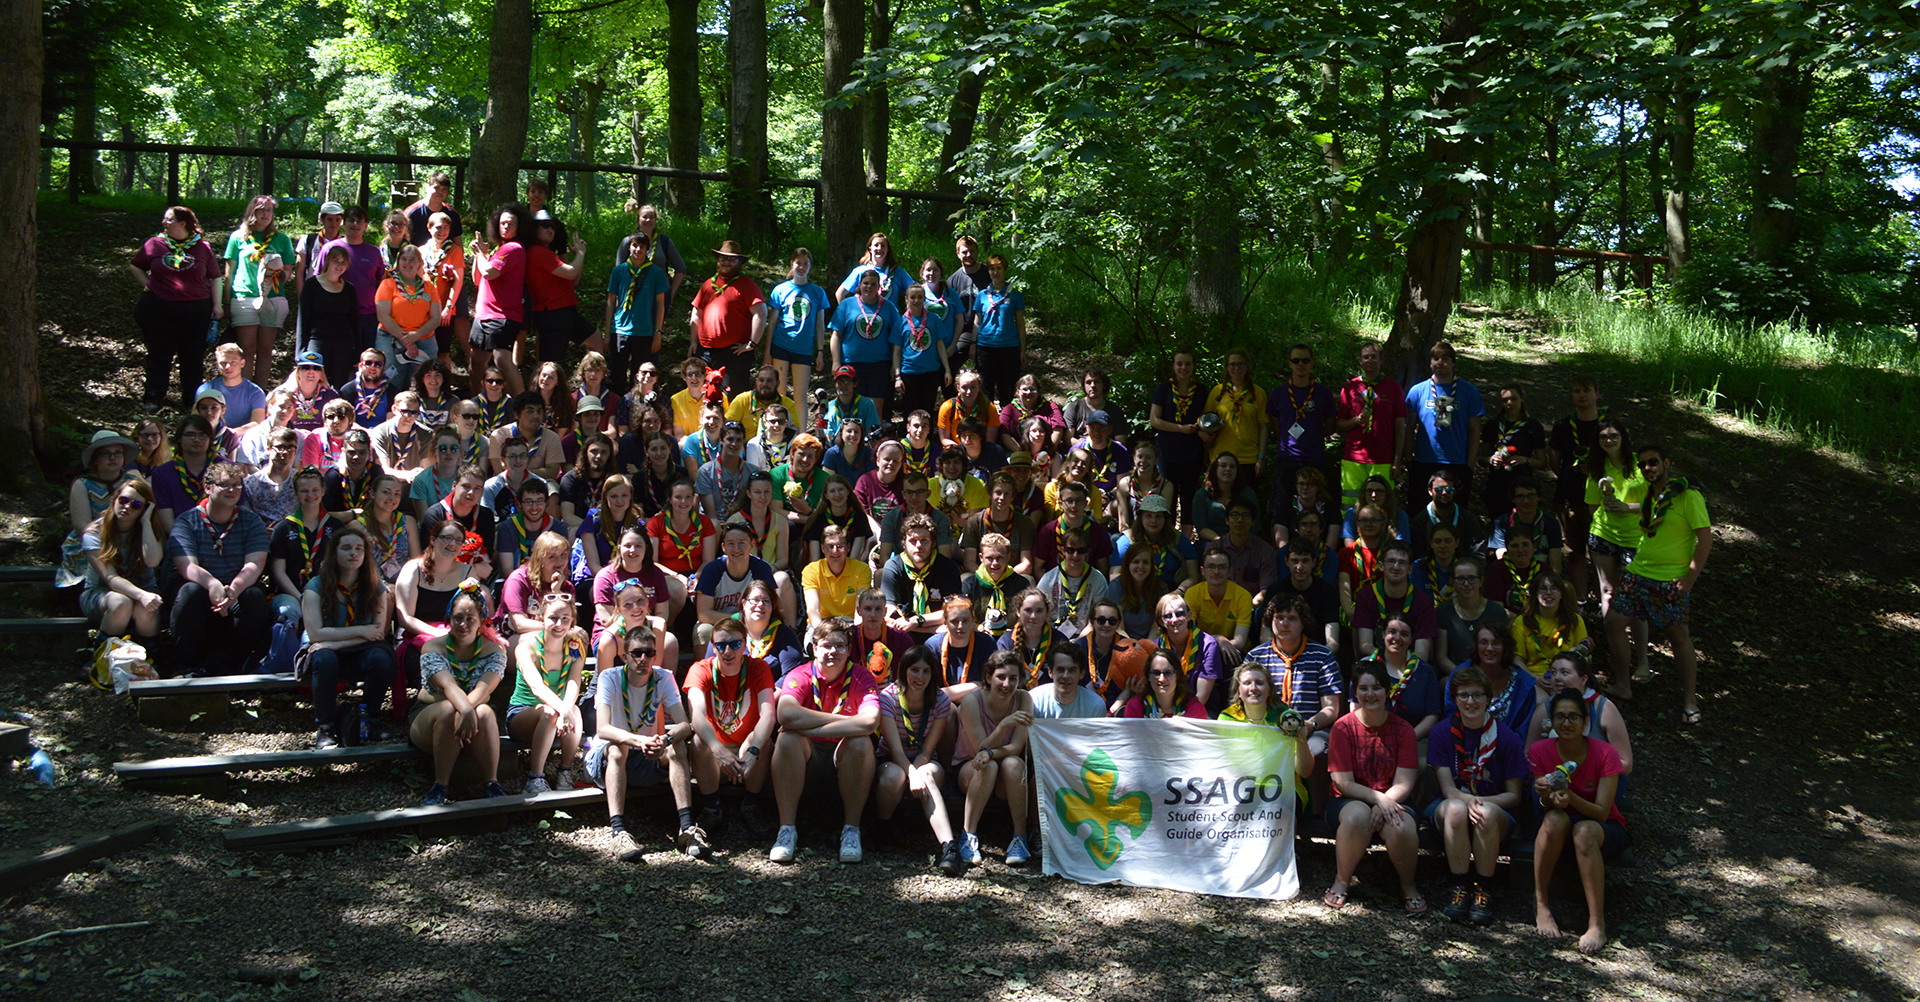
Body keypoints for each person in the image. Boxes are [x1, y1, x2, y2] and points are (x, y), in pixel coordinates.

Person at [590, 618, 710, 860]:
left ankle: (687, 828)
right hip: (609, 758)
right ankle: (618, 832)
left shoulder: (663, 677)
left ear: (655, 656)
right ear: (625, 656)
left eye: (649, 653)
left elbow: (684, 725)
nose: (643, 659)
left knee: (677, 747)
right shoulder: (609, 678)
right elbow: (603, 729)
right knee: (618, 749)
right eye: (636, 653)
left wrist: (664, 740)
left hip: (648, 754)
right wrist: (639, 741)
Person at [1605, 444, 1709, 722]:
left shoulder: (1687, 495)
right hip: (1637, 573)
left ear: (1667, 463)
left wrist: (1690, 578)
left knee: (1678, 638)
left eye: (1653, 462)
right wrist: (1622, 506)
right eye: (1642, 465)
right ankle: (1623, 685)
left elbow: (1705, 538)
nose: (1648, 468)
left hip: (1669, 580)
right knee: (1613, 623)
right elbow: (1648, 514)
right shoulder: (1650, 495)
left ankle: (1690, 702)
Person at [768, 618, 882, 864]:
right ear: (815, 648)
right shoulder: (800, 674)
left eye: (840, 646)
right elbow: (785, 714)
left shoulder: (862, 677)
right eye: (827, 645)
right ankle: (786, 830)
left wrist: (808, 725)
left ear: (849, 650)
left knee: (861, 742)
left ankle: (851, 830)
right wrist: (844, 721)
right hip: (808, 757)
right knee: (787, 739)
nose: (833, 651)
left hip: (845, 756)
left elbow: (870, 722)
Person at [1426, 664, 1529, 926]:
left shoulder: (1506, 737)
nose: (1470, 702)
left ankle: (1483, 890)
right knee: (1456, 808)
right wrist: (1470, 802)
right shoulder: (1441, 732)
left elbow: (1514, 795)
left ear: (1488, 698)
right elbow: (1448, 790)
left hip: (1494, 811)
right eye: (1463, 695)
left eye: (1477, 695)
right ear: (1454, 699)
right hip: (1450, 807)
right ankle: (1459, 887)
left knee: (1485, 813)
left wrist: (1480, 804)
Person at [1530, 687, 1630, 953]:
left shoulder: (1605, 753)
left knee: (1584, 831)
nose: (1567, 723)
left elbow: (1602, 812)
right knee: (1554, 819)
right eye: (1560, 717)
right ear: (1552, 721)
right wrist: (1546, 795)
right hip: (1559, 823)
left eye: (1574, 717)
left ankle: (1597, 924)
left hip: (1602, 828)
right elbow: (1544, 806)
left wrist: (1571, 797)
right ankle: (1541, 904)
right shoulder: (1540, 751)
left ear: (1585, 722)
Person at [1324, 659, 1423, 914]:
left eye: (1377, 687)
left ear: (1387, 691)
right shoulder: (1342, 727)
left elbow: (1405, 782)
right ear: (1355, 692)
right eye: (1364, 688)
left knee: (1401, 825)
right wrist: (1379, 800)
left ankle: (1408, 886)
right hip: (1348, 800)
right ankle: (1341, 880)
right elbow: (1343, 782)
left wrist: (1385, 802)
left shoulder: (1404, 730)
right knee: (1358, 815)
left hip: (1395, 797)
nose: (1371, 694)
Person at [166, 462, 271, 676]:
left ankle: (240, 665)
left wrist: (234, 590)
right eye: (224, 485)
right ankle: (182, 665)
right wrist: (212, 583)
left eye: (237, 485)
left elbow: (255, 564)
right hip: (199, 586)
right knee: (190, 592)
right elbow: (187, 565)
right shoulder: (186, 521)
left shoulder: (251, 521)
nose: (232, 490)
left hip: (236, 587)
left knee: (254, 596)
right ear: (207, 488)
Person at [299, 522, 396, 749]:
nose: (353, 553)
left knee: (381, 658)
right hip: (327, 652)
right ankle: (325, 727)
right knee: (323, 659)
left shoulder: (376, 587)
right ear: (334, 553)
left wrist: (335, 643)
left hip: (356, 649)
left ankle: (371, 720)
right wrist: (361, 631)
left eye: (359, 548)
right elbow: (315, 634)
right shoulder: (315, 587)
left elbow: (377, 633)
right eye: (346, 548)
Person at [411, 582, 510, 805]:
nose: (463, 624)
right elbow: (448, 686)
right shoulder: (433, 648)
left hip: (473, 712)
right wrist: (464, 709)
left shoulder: (495, 649)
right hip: (434, 714)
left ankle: (491, 782)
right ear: (449, 618)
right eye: (457, 618)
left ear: (481, 621)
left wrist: (466, 709)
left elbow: (484, 689)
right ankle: (440, 785)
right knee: (448, 708)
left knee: (484, 712)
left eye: (470, 619)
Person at [684, 615, 779, 845]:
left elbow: (768, 714)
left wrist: (753, 750)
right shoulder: (700, 669)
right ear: (713, 646)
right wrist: (718, 749)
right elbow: (697, 715)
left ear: (745, 644)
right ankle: (711, 808)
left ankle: (751, 805)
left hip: (747, 750)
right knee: (698, 742)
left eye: (735, 644)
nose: (728, 651)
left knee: (764, 741)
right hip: (715, 750)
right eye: (721, 645)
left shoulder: (758, 667)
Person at [872, 645, 965, 872]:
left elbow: (927, 750)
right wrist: (911, 775)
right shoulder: (889, 698)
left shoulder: (940, 700)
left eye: (926, 671)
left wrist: (916, 773)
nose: (920, 677)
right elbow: (895, 750)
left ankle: (949, 847)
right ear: (904, 670)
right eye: (914, 670)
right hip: (892, 759)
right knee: (894, 777)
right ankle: (883, 827)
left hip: (925, 760)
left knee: (927, 775)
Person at [130, 205, 223, 413]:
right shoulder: (155, 244)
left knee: (192, 356)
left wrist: (217, 305)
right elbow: (135, 265)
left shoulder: (202, 247)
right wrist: (146, 284)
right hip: (159, 310)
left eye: (169, 219)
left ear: (183, 223)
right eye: (164, 219)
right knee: (158, 355)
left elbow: (215, 277)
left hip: (195, 311)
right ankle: (154, 397)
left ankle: (192, 399)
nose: (164, 222)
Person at [953, 650, 1035, 865]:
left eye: (1013, 678)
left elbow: (1015, 747)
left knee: (1014, 764)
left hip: (1003, 769)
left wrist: (990, 753)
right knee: (988, 766)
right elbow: (980, 747)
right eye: (1001, 677)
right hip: (971, 766)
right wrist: (1003, 725)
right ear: (989, 677)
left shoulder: (1023, 698)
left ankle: (1020, 838)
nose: (1007, 684)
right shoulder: (973, 700)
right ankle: (968, 835)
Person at [1582, 419, 1649, 678]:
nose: (1609, 441)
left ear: (1623, 437)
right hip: (1603, 536)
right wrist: (1605, 521)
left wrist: (1627, 508)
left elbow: (1656, 502)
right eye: (1603, 437)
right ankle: (1617, 658)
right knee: (1607, 592)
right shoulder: (1597, 467)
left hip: (1635, 539)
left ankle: (1642, 661)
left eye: (1613, 436)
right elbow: (1592, 505)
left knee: (1635, 600)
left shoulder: (1640, 464)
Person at [507, 593, 588, 793]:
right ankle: (535, 778)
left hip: (559, 714)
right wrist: (562, 710)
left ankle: (565, 772)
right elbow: (537, 687)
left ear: (572, 621)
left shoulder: (575, 649)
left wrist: (567, 709)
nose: (559, 624)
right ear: (541, 618)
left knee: (575, 711)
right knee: (549, 712)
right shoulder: (526, 648)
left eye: (565, 619)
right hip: (524, 713)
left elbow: (574, 681)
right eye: (553, 618)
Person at [1244, 594, 1343, 757]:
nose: (1284, 623)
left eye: (1292, 618)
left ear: (1303, 623)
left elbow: (1331, 708)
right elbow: (1242, 701)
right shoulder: (1256, 657)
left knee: (1317, 750)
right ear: (1270, 621)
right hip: (1266, 728)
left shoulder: (1322, 656)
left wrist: (1310, 725)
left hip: (1310, 729)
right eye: (1279, 618)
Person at [394, 517, 494, 673]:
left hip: (456, 633)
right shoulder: (413, 569)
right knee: (438, 653)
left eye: (458, 540)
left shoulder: (467, 572)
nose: (453, 544)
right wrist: (437, 633)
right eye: (447, 538)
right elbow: (405, 618)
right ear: (433, 540)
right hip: (418, 634)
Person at [78, 478, 165, 645]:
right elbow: (111, 578)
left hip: (145, 589)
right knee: (121, 603)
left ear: (144, 509)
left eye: (136, 505)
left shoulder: (151, 531)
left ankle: (150, 655)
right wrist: (141, 595)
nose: (127, 507)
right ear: (115, 499)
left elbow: (153, 561)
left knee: (148, 607)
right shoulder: (94, 532)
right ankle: (103, 653)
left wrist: (146, 522)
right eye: (123, 500)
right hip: (101, 593)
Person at [1406, 340, 1485, 509]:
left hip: (1457, 462)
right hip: (1424, 461)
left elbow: (1475, 430)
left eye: (1445, 359)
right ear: (1430, 363)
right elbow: (1409, 428)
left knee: (1456, 512)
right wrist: (1408, 459)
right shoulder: (1417, 391)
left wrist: (1470, 465)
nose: (1440, 363)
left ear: (1453, 363)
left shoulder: (1469, 392)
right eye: (1436, 359)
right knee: (1419, 511)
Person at [1526, 652, 1634, 775]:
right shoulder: (1545, 708)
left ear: (1583, 679)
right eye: (1554, 672)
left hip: (1599, 780)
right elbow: (1529, 754)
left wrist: (1584, 767)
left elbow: (1626, 764)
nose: (1556, 678)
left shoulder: (1604, 709)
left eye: (1564, 672)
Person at [1550, 374, 1606, 609]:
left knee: (1601, 553)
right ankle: (1581, 601)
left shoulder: (1607, 426)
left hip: (1601, 500)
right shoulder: (1563, 426)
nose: (1581, 395)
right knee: (1574, 552)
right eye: (1576, 391)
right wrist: (1569, 475)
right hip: (1569, 497)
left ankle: (1603, 601)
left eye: (1586, 390)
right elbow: (1554, 459)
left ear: (1597, 394)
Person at [1266, 343, 1336, 522]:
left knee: (1315, 508)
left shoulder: (1324, 394)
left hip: (1314, 459)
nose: (1300, 364)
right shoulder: (1278, 394)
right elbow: (1276, 425)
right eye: (1296, 360)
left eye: (1305, 360)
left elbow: (1330, 426)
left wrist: (1312, 436)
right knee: (1280, 507)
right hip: (1287, 459)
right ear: (1290, 364)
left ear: (1312, 363)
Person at [1334, 340, 1409, 507]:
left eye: (1374, 357)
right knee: (1351, 505)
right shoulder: (1350, 387)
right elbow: (1339, 425)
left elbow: (1400, 427)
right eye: (1366, 357)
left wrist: (1397, 461)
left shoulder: (1393, 388)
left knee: (1381, 507)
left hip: (1383, 459)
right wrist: (1356, 420)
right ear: (1360, 361)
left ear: (1381, 360)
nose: (1370, 360)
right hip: (1354, 458)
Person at [468, 204, 532, 396]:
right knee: (476, 362)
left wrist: (480, 254)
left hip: (502, 315)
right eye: (503, 223)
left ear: (519, 227)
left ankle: (523, 404)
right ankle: (476, 404)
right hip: (483, 315)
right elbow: (477, 278)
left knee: (501, 358)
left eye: (511, 224)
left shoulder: (513, 248)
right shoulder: (498, 249)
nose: (506, 226)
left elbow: (489, 272)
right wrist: (480, 254)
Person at [691, 239, 769, 394]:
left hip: (733, 354)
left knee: (731, 396)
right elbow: (696, 313)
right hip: (705, 352)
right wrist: (693, 342)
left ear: (740, 262)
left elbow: (761, 313)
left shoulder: (747, 285)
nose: (726, 262)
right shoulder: (708, 284)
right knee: (702, 394)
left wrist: (752, 344)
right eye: (723, 258)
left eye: (731, 259)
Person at [267, 467, 340, 625]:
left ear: (323, 491)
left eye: (315, 490)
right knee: (288, 611)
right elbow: (278, 571)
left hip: (326, 594)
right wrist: (302, 597)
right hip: (291, 594)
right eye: (304, 491)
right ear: (296, 493)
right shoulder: (284, 528)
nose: (310, 495)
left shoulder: (336, 526)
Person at [830, 269, 905, 421]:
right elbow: (836, 335)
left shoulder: (888, 307)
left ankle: (874, 435)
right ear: (860, 285)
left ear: (879, 287)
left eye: (873, 284)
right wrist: (836, 362)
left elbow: (896, 339)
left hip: (880, 365)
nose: (869, 287)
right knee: (853, 407)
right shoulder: (846, 305)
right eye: (865, 283)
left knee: (875, 409)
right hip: (852, 364)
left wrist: (894, 365)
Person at [881, 515, 965, 646]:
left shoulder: (947, 567)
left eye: (924, 540)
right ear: (903, 544)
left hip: (939, 634)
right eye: (913, 541)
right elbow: (889, 614)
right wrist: (929, 628)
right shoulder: (894, 566)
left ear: (933, 543)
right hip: (907, 631)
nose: (918, 546)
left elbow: (953, 611)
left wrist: (917, 621)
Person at [694, 521, 780, 646]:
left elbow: (771, 606)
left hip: (754, 622)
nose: (736, 549)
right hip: (719, 623)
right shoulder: (712, 570)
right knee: (703, 630)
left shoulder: (761, 568)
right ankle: (707, 660)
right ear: (723, 547)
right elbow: (703, 614)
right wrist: (738, 619)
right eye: (730, 544)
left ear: (751, 545)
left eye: (741, 543)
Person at [1352, 541, 1439, 661]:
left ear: (1410, 569)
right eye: (1391, 561)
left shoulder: (1423, 602)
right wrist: (1390, 661)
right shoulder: (1366, 596)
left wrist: (1399, 664)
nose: (1396, 567)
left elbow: (1422, 654)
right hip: (1377, 661)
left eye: (1402, 563)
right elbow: (1365, 646)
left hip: (1410, 664)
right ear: (1381, 566)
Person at [322, 205, 388, 358]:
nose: (355, 225)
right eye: (351, 220)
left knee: (367, 359)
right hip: (338, 313)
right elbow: (319, 279)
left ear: (366, 225)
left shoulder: (374, 252)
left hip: (368, 314)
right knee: (339, 357)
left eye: (360, 221)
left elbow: (381, 282)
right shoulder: (330, 248)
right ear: (344, 224)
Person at [375, 245, 444, 390]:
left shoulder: (429, 287)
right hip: (391, 338)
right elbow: (383, 316)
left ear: (419, 263)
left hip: (424, 339)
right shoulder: (388, 284)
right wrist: (407, 340)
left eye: (412, 260)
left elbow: (436, 318)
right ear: (398, 262)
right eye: (404, 259)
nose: (408, 263)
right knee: (392, 381)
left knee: (423, 383)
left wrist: (416, 335)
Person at [1368, 610, 1445, 739]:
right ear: (1383, 633)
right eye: (1392, 632)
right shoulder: (1366, 667)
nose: (1397, 638)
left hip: (1415, 739)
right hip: (1373, 738)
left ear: (1411, 639)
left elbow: (1432, 715)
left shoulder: (1425, 671)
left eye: (1404, 634)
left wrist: (1408, 739)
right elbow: (1356, 707)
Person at [1447, 624, 1537, 735]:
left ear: (1505, 646)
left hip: (1508, 743)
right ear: (1476, 646)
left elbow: (1523, 730)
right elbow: (1451, 718)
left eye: (1496, 643)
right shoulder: (1459, 675)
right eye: (1484, 643)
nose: (1489, 648)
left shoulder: (1524, 683)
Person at [766, 247, 830, 399]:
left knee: (800, 397)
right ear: (792, 264)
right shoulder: (780, 290)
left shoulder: (818, 292)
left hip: (804, 348)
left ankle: (799, 418)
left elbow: (820, 326)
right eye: (798, 263)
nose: (801, 267)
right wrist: (767, 352)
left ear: (810, 265)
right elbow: (772, 323)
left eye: (805, 263)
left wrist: (820, 352)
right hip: (781, 344)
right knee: (779, 394)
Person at [1481, 384, 1551, 524]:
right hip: (1496, 485)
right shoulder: (1493, 424)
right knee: (1499, 523)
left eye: (1514, 399)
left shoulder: (1533, 426)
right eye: (1505, 400)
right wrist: (1491, 460)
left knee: (1521, 525)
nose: (1509, 403)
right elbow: (1481, 459)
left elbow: (1542, 463)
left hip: (1522, 486)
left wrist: (1524, 460)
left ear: (1522, 398)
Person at [300, 244, 363, 389]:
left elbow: (355, 320)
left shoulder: (349, 288)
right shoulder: (311, 285)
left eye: (343, 262)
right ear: (328, 261)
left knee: (339, 383)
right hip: (318, 339)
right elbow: (303, 318)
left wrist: (357, 350)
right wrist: (301, 350)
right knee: (315, 380)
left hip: (343, 341)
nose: (339, 266)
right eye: (336, 261)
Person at [896, 268, 957, 417]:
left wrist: (947, 370)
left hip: (930, 372)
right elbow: (896, 351)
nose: (916, 301)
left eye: (920, 297)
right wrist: (897, 376)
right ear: (906, 299)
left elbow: (940, 346)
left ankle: (927, 432)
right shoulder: (900, 322)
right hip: (909, 372)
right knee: (910, 411)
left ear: (925, 299)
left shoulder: (934, 319)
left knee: (927, 410)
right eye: (912, 297)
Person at [1154, 592, 1227, 714]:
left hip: (1202, 709)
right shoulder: (1155, 647)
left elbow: (1202, 696)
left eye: (1179, 614)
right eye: (1168, 616)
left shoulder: (1208, 645)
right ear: (1161, 622)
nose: (1174, 620)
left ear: (1189, 616)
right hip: (1165, 709)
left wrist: (1181, 719)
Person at [1037, 528, 1117, 639]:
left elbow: (1096, 621)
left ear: (1088, 552)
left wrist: (1079, 642)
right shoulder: (1048, 578)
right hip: (1052, 635)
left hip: (1085, 637)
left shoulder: (1098, 580)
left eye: (1081, 550)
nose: (1075, 555)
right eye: (1070, 550)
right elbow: (1039, 612)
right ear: (1063, 550)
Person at [1111, 493, 1197, 594]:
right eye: (1148, 516)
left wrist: (1177, 592)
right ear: (1141, 518)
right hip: (1136, 591)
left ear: (1165, 519)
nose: (1153, 521)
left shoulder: (1178, 539)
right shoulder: (1128, 539)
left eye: (1158, 516)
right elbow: (1115, 576)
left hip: (1172, 591)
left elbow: (1194, 576)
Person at [1438, 555, 1509, 674]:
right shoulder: (1444, 610)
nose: (1466, 583)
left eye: (1472, 578)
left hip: (1490, 673)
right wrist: (1465, 676)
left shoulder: (1496, 611)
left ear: (1481, 581)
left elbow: (1505, 652)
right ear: (1453, 582)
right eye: (1460, 579)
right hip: (1456, 674)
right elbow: (1441, 658)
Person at [971, 254, 1026, 406]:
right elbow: (977, 321)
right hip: (986, 347)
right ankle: (987, 417)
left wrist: (1022, 350)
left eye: (999, 268)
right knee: (986, 387)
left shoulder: (1015, 294)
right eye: (992, 269)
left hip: (1009, 347)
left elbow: (1020, 324)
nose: (995, 272)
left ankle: (1007, 418)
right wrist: (973, 344)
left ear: (1005, 270)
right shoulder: (982, 295)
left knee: (1007, 388)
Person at [1511, 569, 1590, 674]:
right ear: (1535, 594)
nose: (1549, 593)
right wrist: (1536, 679)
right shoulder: (1522, 621)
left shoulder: (1574, 620)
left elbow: (1582, 657)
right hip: (1532, 678)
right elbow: (1517, 660)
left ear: (1561, 594)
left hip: (1566, 677)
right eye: (1543, 589)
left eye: (1554, 588)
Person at [1079, 599, 1152, 712]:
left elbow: (1128, 689)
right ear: (1092, 622)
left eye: (1112, 621)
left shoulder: (1129, 649)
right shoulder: (1079, 648)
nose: (1106, 625)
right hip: (1083, 708)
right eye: (1101, 620)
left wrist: (1111, 713)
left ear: (1118, 624)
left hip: (1118, 709)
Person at [1184, 548, 1254, 660]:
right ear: (1202, 571)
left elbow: (1240, 642)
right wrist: (1216, 639)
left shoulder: (1243, 596)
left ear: (1230, 571)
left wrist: (1219, 644)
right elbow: (1188, 634)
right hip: (1201, 649)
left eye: (1222, 567)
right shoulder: (1192, 594)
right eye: (1211, 567)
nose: (1216, 572)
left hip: (1233, 651)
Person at [960, 473, 1036, 576]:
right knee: (965, 577)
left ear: (1013, 496)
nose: (1002, 498)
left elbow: (1026, 564)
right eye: (998, 493)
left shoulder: (1024, 523)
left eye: (1007, 494)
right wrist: (987, 578)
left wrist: (1005, 578)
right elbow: (969, 562)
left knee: (1028, 580)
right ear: (989, 494)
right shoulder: (974, 522)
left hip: (1013, 577)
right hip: (981, 577)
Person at [615, 201, 688, 307]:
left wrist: (670, 293)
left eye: (652, 217)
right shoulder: (628, 242)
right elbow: (618, 271)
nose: (648, 220)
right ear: (638, 219)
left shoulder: (664, 241)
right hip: (633, 294)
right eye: (645, 217)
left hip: (659, 294)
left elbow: (681, 268)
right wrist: (618, 296)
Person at [873, 470, 954, 566]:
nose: (914, 497)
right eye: (909, 492)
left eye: (919, 492)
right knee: (880, 573)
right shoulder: (891, 518)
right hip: (901, 568)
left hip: (933, 568)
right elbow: (884, 557)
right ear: (903, 495)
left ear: (928, 494)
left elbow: (945, 558)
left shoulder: (940, 519)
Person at [996, 587, 1071, 689]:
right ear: (1018, 612)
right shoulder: (1006, 642)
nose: (1033, 616)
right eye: (1028, 610)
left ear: (1047, 613)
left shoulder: (1060, 641)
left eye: (1039, 611)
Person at [1032, 479, 1111, 575]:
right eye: (1069, 501)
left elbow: (1104, 569)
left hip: (1088, 582)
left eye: (1079, 500)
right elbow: (1037, 568)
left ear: (1086, 503)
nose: (1074, 505)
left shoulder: (1098, 531)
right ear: (1061, 504)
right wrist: (1051, 584)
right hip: (1055, 582)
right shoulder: (1048, 531)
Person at [1274, 541, 1341, 654]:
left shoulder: (1328, 592)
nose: (1300, 567)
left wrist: (1316, 657)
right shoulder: (1275, 591)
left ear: (1314, 562)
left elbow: (1333, 642)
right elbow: (1265, 635)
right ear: (1286, 562)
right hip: (1281, 653)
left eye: (1305, 561)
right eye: (1295, 561)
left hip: (1319, 653)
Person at [960, 532, 1030, 639]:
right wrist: (978, 628)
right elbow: (962, 617)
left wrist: (1016, 629)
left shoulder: (1021, 584)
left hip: (1012, 636)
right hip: (978, 636)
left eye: (999, 558)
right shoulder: (970, 584)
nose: (995, 563)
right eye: (989, 558)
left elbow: (1027, 617)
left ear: (1008, 557)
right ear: (981, 557)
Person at [1489, 476, 1564, 572]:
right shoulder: (1502, 523)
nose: (1526, 501)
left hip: (1542, 575)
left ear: (1538, 497)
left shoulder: (1551, 523)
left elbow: (1555, 564)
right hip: (1512, 574)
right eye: (1520, 497)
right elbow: (1502, 559)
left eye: (1530, 496)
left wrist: (1551, 580)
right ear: (1513, 499)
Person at [488, 393, 566, 482]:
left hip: (539, 485)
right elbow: (499, 470)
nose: (536, 416)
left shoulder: (552, 437)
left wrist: (521, 474)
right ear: (517, 415)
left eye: (539, 411)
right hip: (506, 483)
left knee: (553, 486)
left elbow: (552, 472)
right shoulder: (499, 435)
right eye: (530, 411)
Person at [358, 473, 418, 585]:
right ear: (372, 494)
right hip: (370, 586)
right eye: (386, 492)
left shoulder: (408, 522)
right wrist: (384, 587)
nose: (392, 498)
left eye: (397, 494)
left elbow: (416, 562)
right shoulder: (358, 526)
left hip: (403, 586)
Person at [738, 578, 806, 678]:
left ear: (772, 606)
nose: (760, 604)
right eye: (755, 600)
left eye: (766, 601)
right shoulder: (731, 633)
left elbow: (792, 675)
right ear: (744, 604)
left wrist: (772, 689)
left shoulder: (784, 635)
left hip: (775, 688)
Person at [1414, 469, 1483, 562]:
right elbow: (1418, 556)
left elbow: (1477, 554)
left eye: (1449, 490)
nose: (1444, 493)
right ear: (1430, 491)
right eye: (1439, 489)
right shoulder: (1420, 521)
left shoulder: (1468, 519)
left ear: (1455, 492)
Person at [195, 342, 269, 428]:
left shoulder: (255, 392)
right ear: (217, 365)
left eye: (233, 362)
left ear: (242, 363)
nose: (228, 367)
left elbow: (257, 423)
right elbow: (196, 419)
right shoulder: (206, 389)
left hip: (244, 435)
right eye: (223, 363)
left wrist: (230, 434)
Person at [1121, 647, 1208, 719]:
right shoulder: (1135, 706)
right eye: (1156, 673)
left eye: (1168, 673)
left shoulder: (1195, 708)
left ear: (1177, 675)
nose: (1161, 679)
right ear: (1149, 676)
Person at [1193, 451, 1259, 544]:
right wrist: (1221, 541)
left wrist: (1238, 542)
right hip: (1212, 541)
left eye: (1232, 466)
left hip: (1243, 541)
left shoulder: (1248, 494)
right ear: (1215, 469)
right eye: (1223, 466)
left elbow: (1255, 525)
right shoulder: (1202, 495)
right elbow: (1202, 528)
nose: (1228, 469)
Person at [802, 473, 870, 563]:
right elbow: (815, 560)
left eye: (840, 489)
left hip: (850, 567)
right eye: (832, 491)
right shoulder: (817, 519)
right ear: (826, 495)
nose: (837, 494)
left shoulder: (859, 517)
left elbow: (854, 559)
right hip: (823, 567)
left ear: (848, 491)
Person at [697, 421, 759, 520]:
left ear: (743, 441)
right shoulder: (706, 472)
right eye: (730, 439)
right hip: (714, 522)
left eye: (738, 440)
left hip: (742, 522)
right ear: (721, 440)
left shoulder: (753, 471)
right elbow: (710, 514)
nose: (734, 444)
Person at [836, 232, 915, 308]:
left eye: (883, 245)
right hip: (865, 316)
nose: (879, 248)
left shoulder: (897, 272)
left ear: (887, 249)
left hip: (889, 316)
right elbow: (840, 294)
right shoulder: (860, 271)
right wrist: (848, 313)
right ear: (870, 248)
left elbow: (916, 291)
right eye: (876, 245)